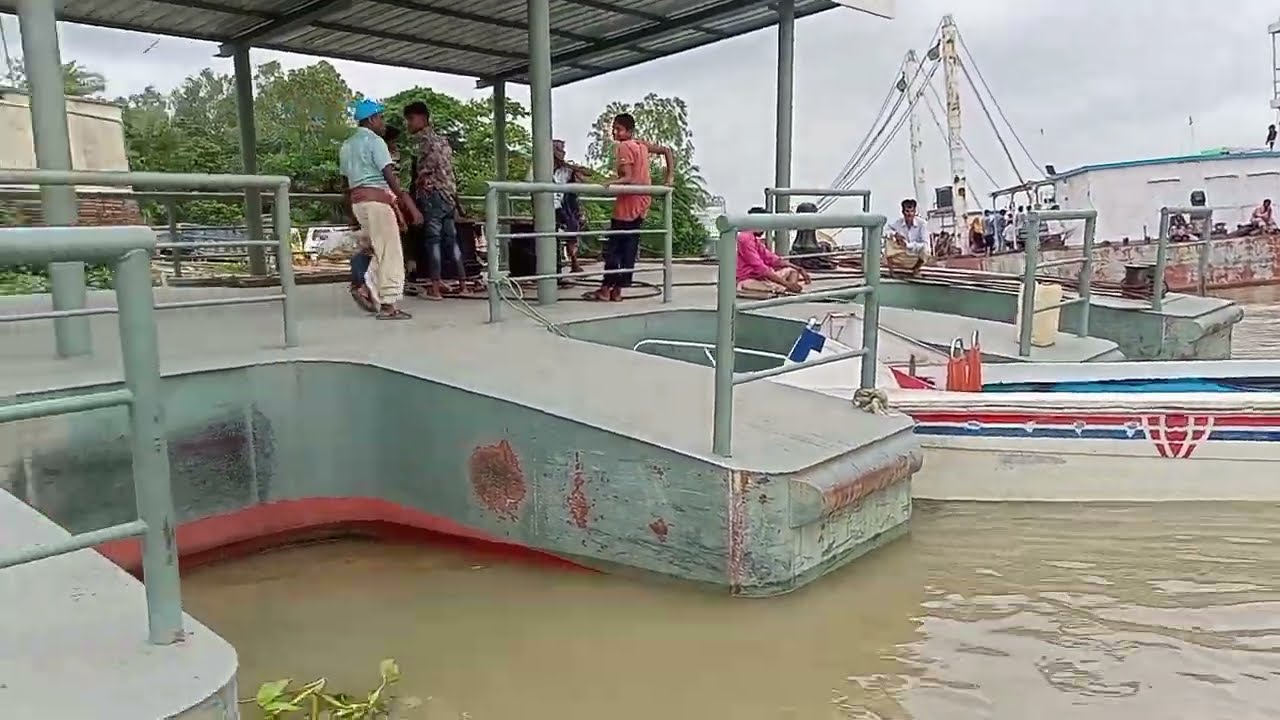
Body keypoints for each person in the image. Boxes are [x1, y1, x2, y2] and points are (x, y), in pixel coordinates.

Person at [584, 113, 675, 302]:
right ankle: (617, 290)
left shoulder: (624, 146)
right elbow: (666, 151)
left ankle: (605, 289)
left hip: (627, 205)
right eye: (614, 128)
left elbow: (629, 178)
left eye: (618, 128)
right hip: (642, 203)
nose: (615, 132)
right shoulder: (641, 145)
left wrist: (608, 183)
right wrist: (669, 178)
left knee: (614, 249)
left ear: (628, 131)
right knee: (629, 248)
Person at [339, 98, 411, 320]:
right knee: (390, 252)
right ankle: (388, 304)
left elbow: (344, 183)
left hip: (358, 202)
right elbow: (389, 176)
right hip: (378, 202)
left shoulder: (346, 146)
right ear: (371, 119)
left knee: (379, 250)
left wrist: (351, 213)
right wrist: (404, 203)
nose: (383, 122)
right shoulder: (376, 142)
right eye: (381, 117)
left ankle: (368, 287)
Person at [403, 101, 466, 300]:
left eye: (410, 119)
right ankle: (463, 283)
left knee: (433, 241)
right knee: (452, 241)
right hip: (448, 195)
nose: (409, 125)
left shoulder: (422, 142)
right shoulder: (443, 141)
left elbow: (420, 174)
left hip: (432, 195)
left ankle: (436, 287)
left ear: (422, 118)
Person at [735, 206, 810, 297]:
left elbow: (773, 259)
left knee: (792, 271)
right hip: (747, 279)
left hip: (762, 278)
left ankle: (788, 290)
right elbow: (760, 267)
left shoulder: (755, 240)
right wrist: (786, 283)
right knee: (774, 287)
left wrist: (798, 268)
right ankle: (786, 290)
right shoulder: (745, 239)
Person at [885, 198, 927, 276]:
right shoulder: (899, 222)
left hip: (915, 253)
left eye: (912, 211)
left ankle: (916, 269)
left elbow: (925, 244)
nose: (909, 214)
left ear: (915, 212)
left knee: (925, 250)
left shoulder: (922, 224)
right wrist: (895, 234)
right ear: (903, 212)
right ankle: (892, 271)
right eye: (907, 211)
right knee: (888, 242)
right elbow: (886, 231)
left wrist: (908, 245)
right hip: (902, 253)